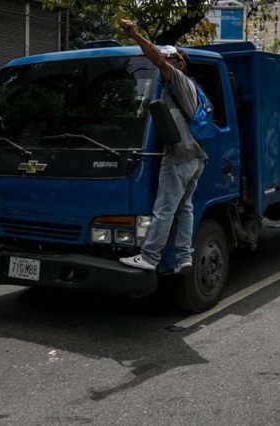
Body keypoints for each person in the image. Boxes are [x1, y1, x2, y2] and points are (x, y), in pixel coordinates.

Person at [117, 19, 207, 273]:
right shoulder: (192, 87)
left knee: (164, 209)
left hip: (179, 157)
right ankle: (184, 257)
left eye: (167, 60)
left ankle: (150, 256)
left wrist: (134, 34)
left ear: (177, 62)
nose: (162, 64)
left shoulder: (177, 78)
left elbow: (155, 57)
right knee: (184, 209)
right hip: (196, 157)